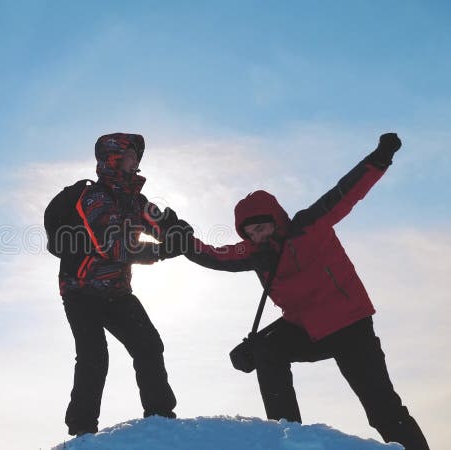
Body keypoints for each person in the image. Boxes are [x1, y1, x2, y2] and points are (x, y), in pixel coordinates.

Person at [180, 133, 429, 449]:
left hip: (351, 326)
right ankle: (287, 435)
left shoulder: (309, 226)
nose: (257, 234)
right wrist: (180, 241)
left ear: (276, 219)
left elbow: (346, 192)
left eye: (262, 226)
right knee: (264, 350)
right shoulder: (257, 255)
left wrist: (379, 158)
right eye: (250, 231)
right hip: (306, 329)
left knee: (383, 410)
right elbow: (214, 255)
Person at [57, 133, 185, 437]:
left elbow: (164, 222)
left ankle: (161, 419)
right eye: (129, 155)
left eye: (137, 156)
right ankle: (82, 431)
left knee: (149, 345)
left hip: (117, 292)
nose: (136, 161)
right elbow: (111, 245)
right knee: (94, 356)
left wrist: (180, 231)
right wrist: (161, 250)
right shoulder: (94, 197)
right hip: (81, 290)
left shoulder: (136, 200)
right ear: (113, 158)